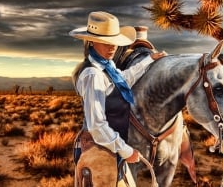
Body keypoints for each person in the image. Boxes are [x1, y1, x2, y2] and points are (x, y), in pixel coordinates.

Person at [69, 11, 165, 187]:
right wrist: (126, 150)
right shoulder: (93, 75)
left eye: (114, 41)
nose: (112, 47)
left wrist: (149, 60)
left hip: (110, 149)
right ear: (91, 41)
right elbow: (97, 126)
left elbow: (125, 78)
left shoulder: (108, 66)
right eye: (106, 42)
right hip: (99, 152)